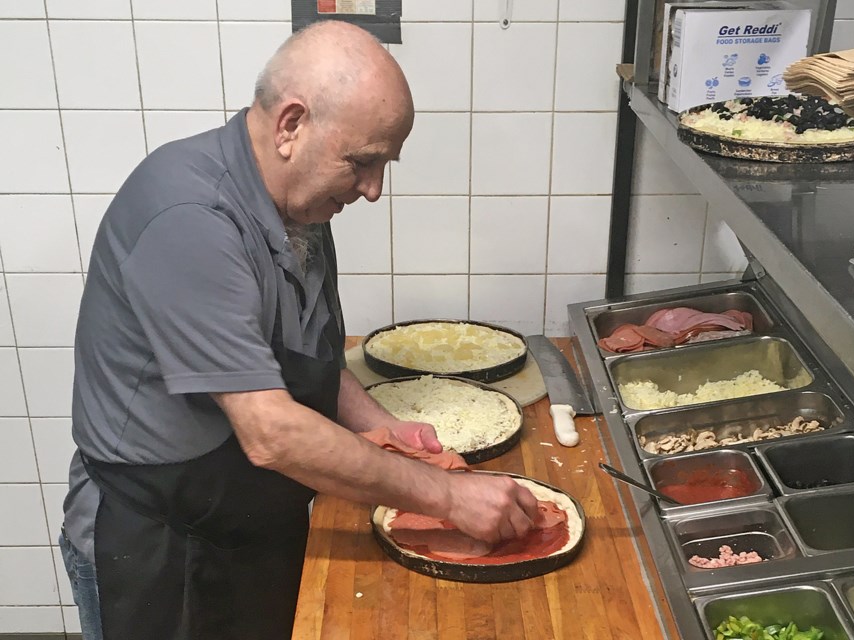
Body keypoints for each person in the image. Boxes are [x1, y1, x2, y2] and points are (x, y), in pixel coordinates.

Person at [59, 21, 540, 640]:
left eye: (383, 165)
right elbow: (271, 434)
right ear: (291, 125)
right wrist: (447, 499)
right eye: (363, 162)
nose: (372, 190)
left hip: (253, 519)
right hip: (160, 545)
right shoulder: (190, 219)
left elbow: (308, 357)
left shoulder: (298, 206)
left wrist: (378, 426)